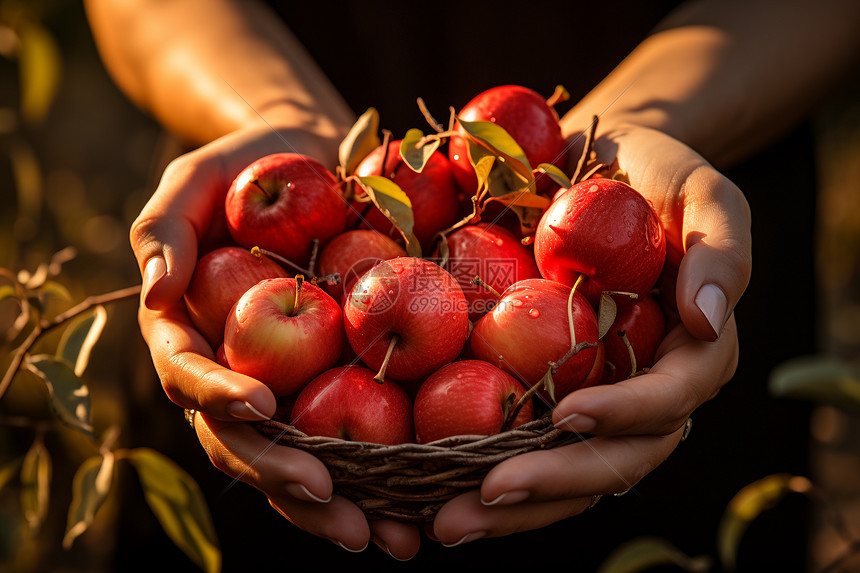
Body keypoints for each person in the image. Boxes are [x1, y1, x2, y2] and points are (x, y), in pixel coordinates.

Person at [84, 0, 860, 567]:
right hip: (247, 288)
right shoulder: (286, 270)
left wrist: (608, 143)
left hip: (658, 268)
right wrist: (274, 117)